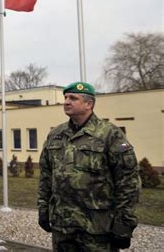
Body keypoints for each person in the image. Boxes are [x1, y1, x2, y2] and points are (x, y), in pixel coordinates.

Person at [38, 82, 141, 251]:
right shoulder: (56, 135)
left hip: (97, 228)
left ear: (89, 104)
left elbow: (128, 182)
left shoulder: (109, 134)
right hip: (63, 226)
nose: (66, 101)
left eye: (73, 98)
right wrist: (43, 209)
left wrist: (124, 224)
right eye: (65, 97)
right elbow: (46, 176)